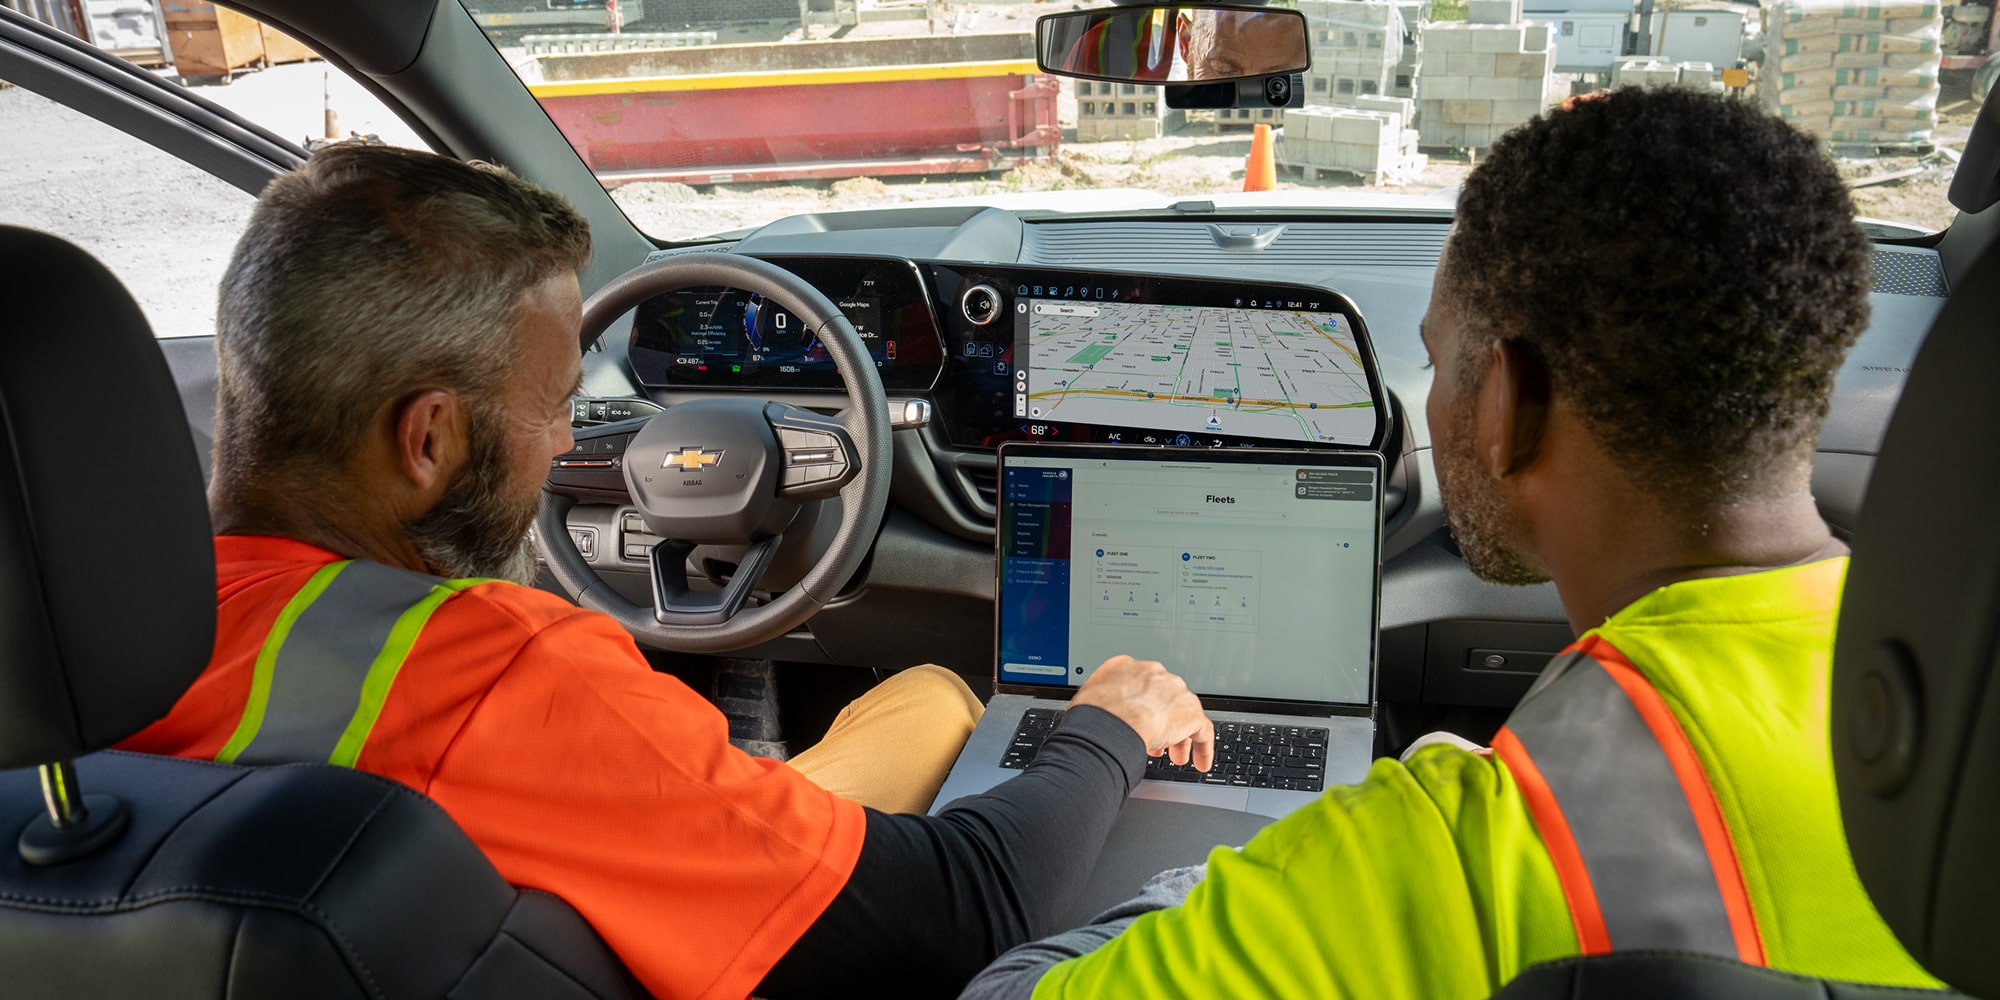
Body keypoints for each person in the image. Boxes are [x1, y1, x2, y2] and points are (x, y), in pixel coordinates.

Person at [117, 143, 1217, 1000]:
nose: (567, 449)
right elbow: (970, 908)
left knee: (926, 698)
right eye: (553, 407)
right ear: (428, 439)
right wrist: (1107, 724)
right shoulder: (496, 673)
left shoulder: (98, 643)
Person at [962, 87, 1943, 998]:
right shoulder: (1957, 718)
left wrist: (1217, 876)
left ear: (1505, 406)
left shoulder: (1433, 849)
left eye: (1432, 361)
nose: (1427, 399)